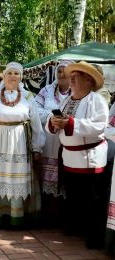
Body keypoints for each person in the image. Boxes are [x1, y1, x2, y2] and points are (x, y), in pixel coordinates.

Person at [0, 62, 45, 226]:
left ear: (21, 77)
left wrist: (36, 148)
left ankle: (17, 216)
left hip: (20, 144)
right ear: (4, 76)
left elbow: (35, 124)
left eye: (16, 74)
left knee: (17, 178)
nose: (13, 76)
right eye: (10, 73)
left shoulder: (28, 97)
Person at [46, 61, 108, 249]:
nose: (71, 80)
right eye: (70, 77)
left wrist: (71, 123)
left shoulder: (96, 100)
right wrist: (53, 123)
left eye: (76, 77)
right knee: (73, 195)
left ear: (88, 81)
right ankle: (76, 227)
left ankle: (95, 236)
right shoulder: (67, 100)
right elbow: (51, 120)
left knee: (93, 198)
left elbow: (100, 126)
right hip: (69, 157)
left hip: (90, 157)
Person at [34, 61, 73, 225]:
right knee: (46, 176)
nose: (62, 74)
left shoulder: (76, 92)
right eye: (59, 70)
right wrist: (52, 116)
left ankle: (62, 215)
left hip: (67, 140)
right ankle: (46, 213)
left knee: (64, 175)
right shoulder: (47, 90)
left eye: (65, 71)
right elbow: (34, 109)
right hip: (48, 139)